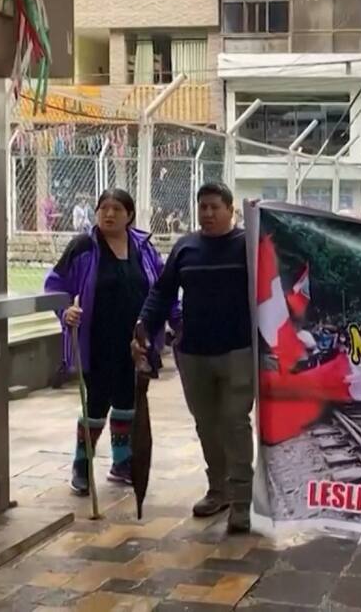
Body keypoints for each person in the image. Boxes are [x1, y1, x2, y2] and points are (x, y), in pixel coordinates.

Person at [134, 182, 253, 532]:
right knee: (207, 424)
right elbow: (162, 292)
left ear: (231, 210)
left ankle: (243, 501)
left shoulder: (248, 245)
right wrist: (144, 323)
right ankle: (218, 490)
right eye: (203, 207)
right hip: (194, 353)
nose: (208, 213)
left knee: (235, 422)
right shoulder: (186, 248)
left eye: (215, 207)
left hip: (238, 352)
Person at [45, 189, 174, 495]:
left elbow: (162, 287)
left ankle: (122, 463)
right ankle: (81, 464)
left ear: (129, 215)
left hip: (136, 341)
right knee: (97, 401)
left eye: (117, 208)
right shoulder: (83, 247)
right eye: (104, 208)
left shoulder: (143, 248)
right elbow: (54, 285)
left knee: (128, 399)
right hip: (96, 339)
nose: (109, 214)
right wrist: (66, 311)